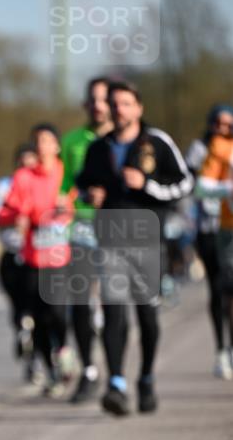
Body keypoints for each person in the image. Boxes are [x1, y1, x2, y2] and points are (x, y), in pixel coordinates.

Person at [76, 81, 193, 416]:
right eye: (114, 104)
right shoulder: (99, 148)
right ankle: (116, 383)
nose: (119, 109)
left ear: (139, 108)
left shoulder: (156, 142)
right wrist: (90, 196)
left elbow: (185, 183)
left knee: (147, 317)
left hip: (147, 241)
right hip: (110, 240)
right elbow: (83, 185)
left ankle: (146, 378)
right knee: (114, 313)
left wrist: (148, 185)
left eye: (126, 103)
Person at [0, 124, 75, 396]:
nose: (42, 146)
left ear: (57, 146)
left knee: (58, 312)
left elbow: (80, 203)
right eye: (37, 141)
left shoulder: (65, 174)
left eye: (47, 140)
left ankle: (63, 349)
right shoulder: (23, 177)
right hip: (33, 257)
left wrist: (67, 209)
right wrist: (16, 216)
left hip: (60, 255)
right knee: (39, 317)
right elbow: (5, 212)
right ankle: (51, 372)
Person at [59, 77, 113, 403]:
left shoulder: (125, 140)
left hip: (117, 228)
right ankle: (89, 370)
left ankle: (117, 374)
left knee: (114, 301)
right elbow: (63, 185)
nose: (98, 106)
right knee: (79, 299)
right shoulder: (72, 141)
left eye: (104, 99)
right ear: (85, 105)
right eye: (93, 100)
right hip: (81, 228)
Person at [0, 143, 38, 382]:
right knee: (19, 308)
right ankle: (29, 353)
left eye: (31, 163)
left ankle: (46, 353)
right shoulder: (4, 186)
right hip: (13, 254)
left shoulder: (45, 184)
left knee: (42, 311)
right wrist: (10, 218)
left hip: (40, 256)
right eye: (22, 163)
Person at [186, 104, 233, 378]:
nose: (222, 129)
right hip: (208, 229)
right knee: (217, 288)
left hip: (229, 227)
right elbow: (194, 186)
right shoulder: (199, 149)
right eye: (218, 123)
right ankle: (221, 348)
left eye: (228, 124)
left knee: (231, 289)